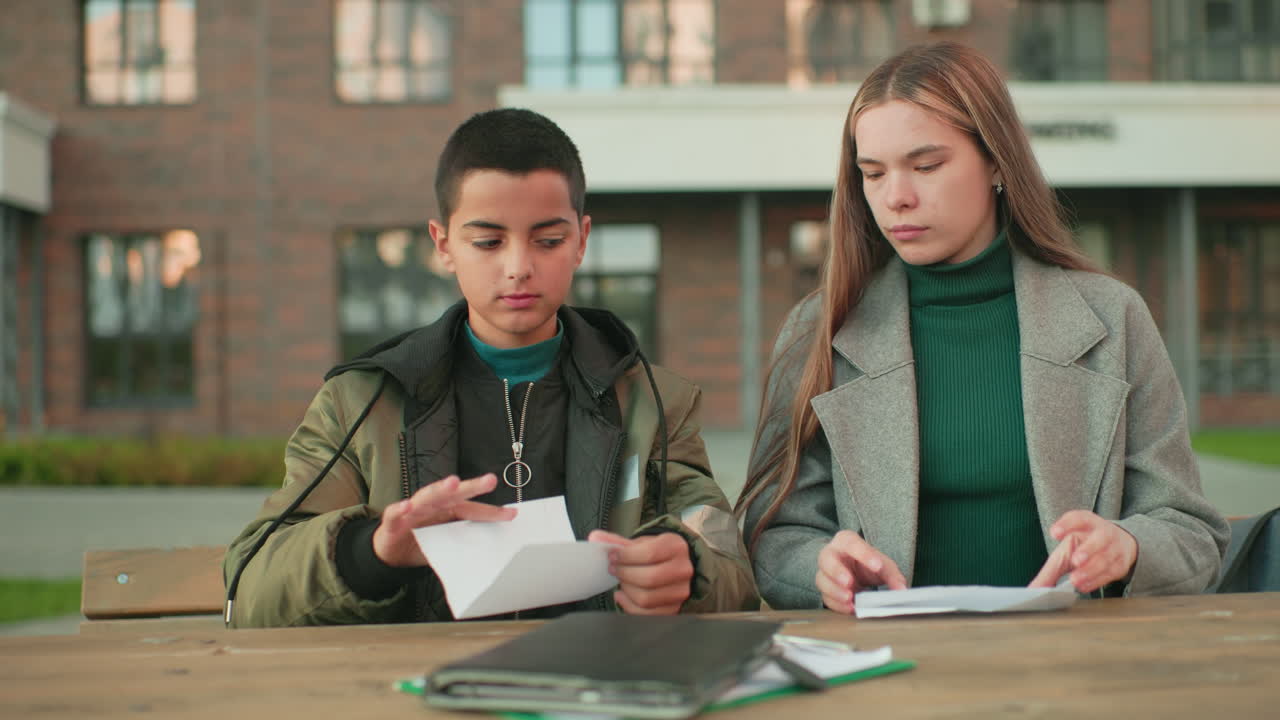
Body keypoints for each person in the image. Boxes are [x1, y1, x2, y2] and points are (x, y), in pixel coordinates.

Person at [738, 42, 1229, 613]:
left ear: (996, 161)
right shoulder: (818, 330)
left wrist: (1128, 548)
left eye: (926, 166)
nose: (896, 197)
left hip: (1074, 673)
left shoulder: (1112, 318)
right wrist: (819, 569)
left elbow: (1193, 533)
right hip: (891, 678)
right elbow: (772, 541)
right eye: (873, 174)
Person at [224, 108, 758, 627]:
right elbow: (250, 586)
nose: (519, 267)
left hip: (598, 690)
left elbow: (731, 564)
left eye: (549, 240)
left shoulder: (652, 401)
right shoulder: (363, 402)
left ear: (582, 240)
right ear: (443, 244)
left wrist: (688, 569)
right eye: (488, 242)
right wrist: (375, 551)